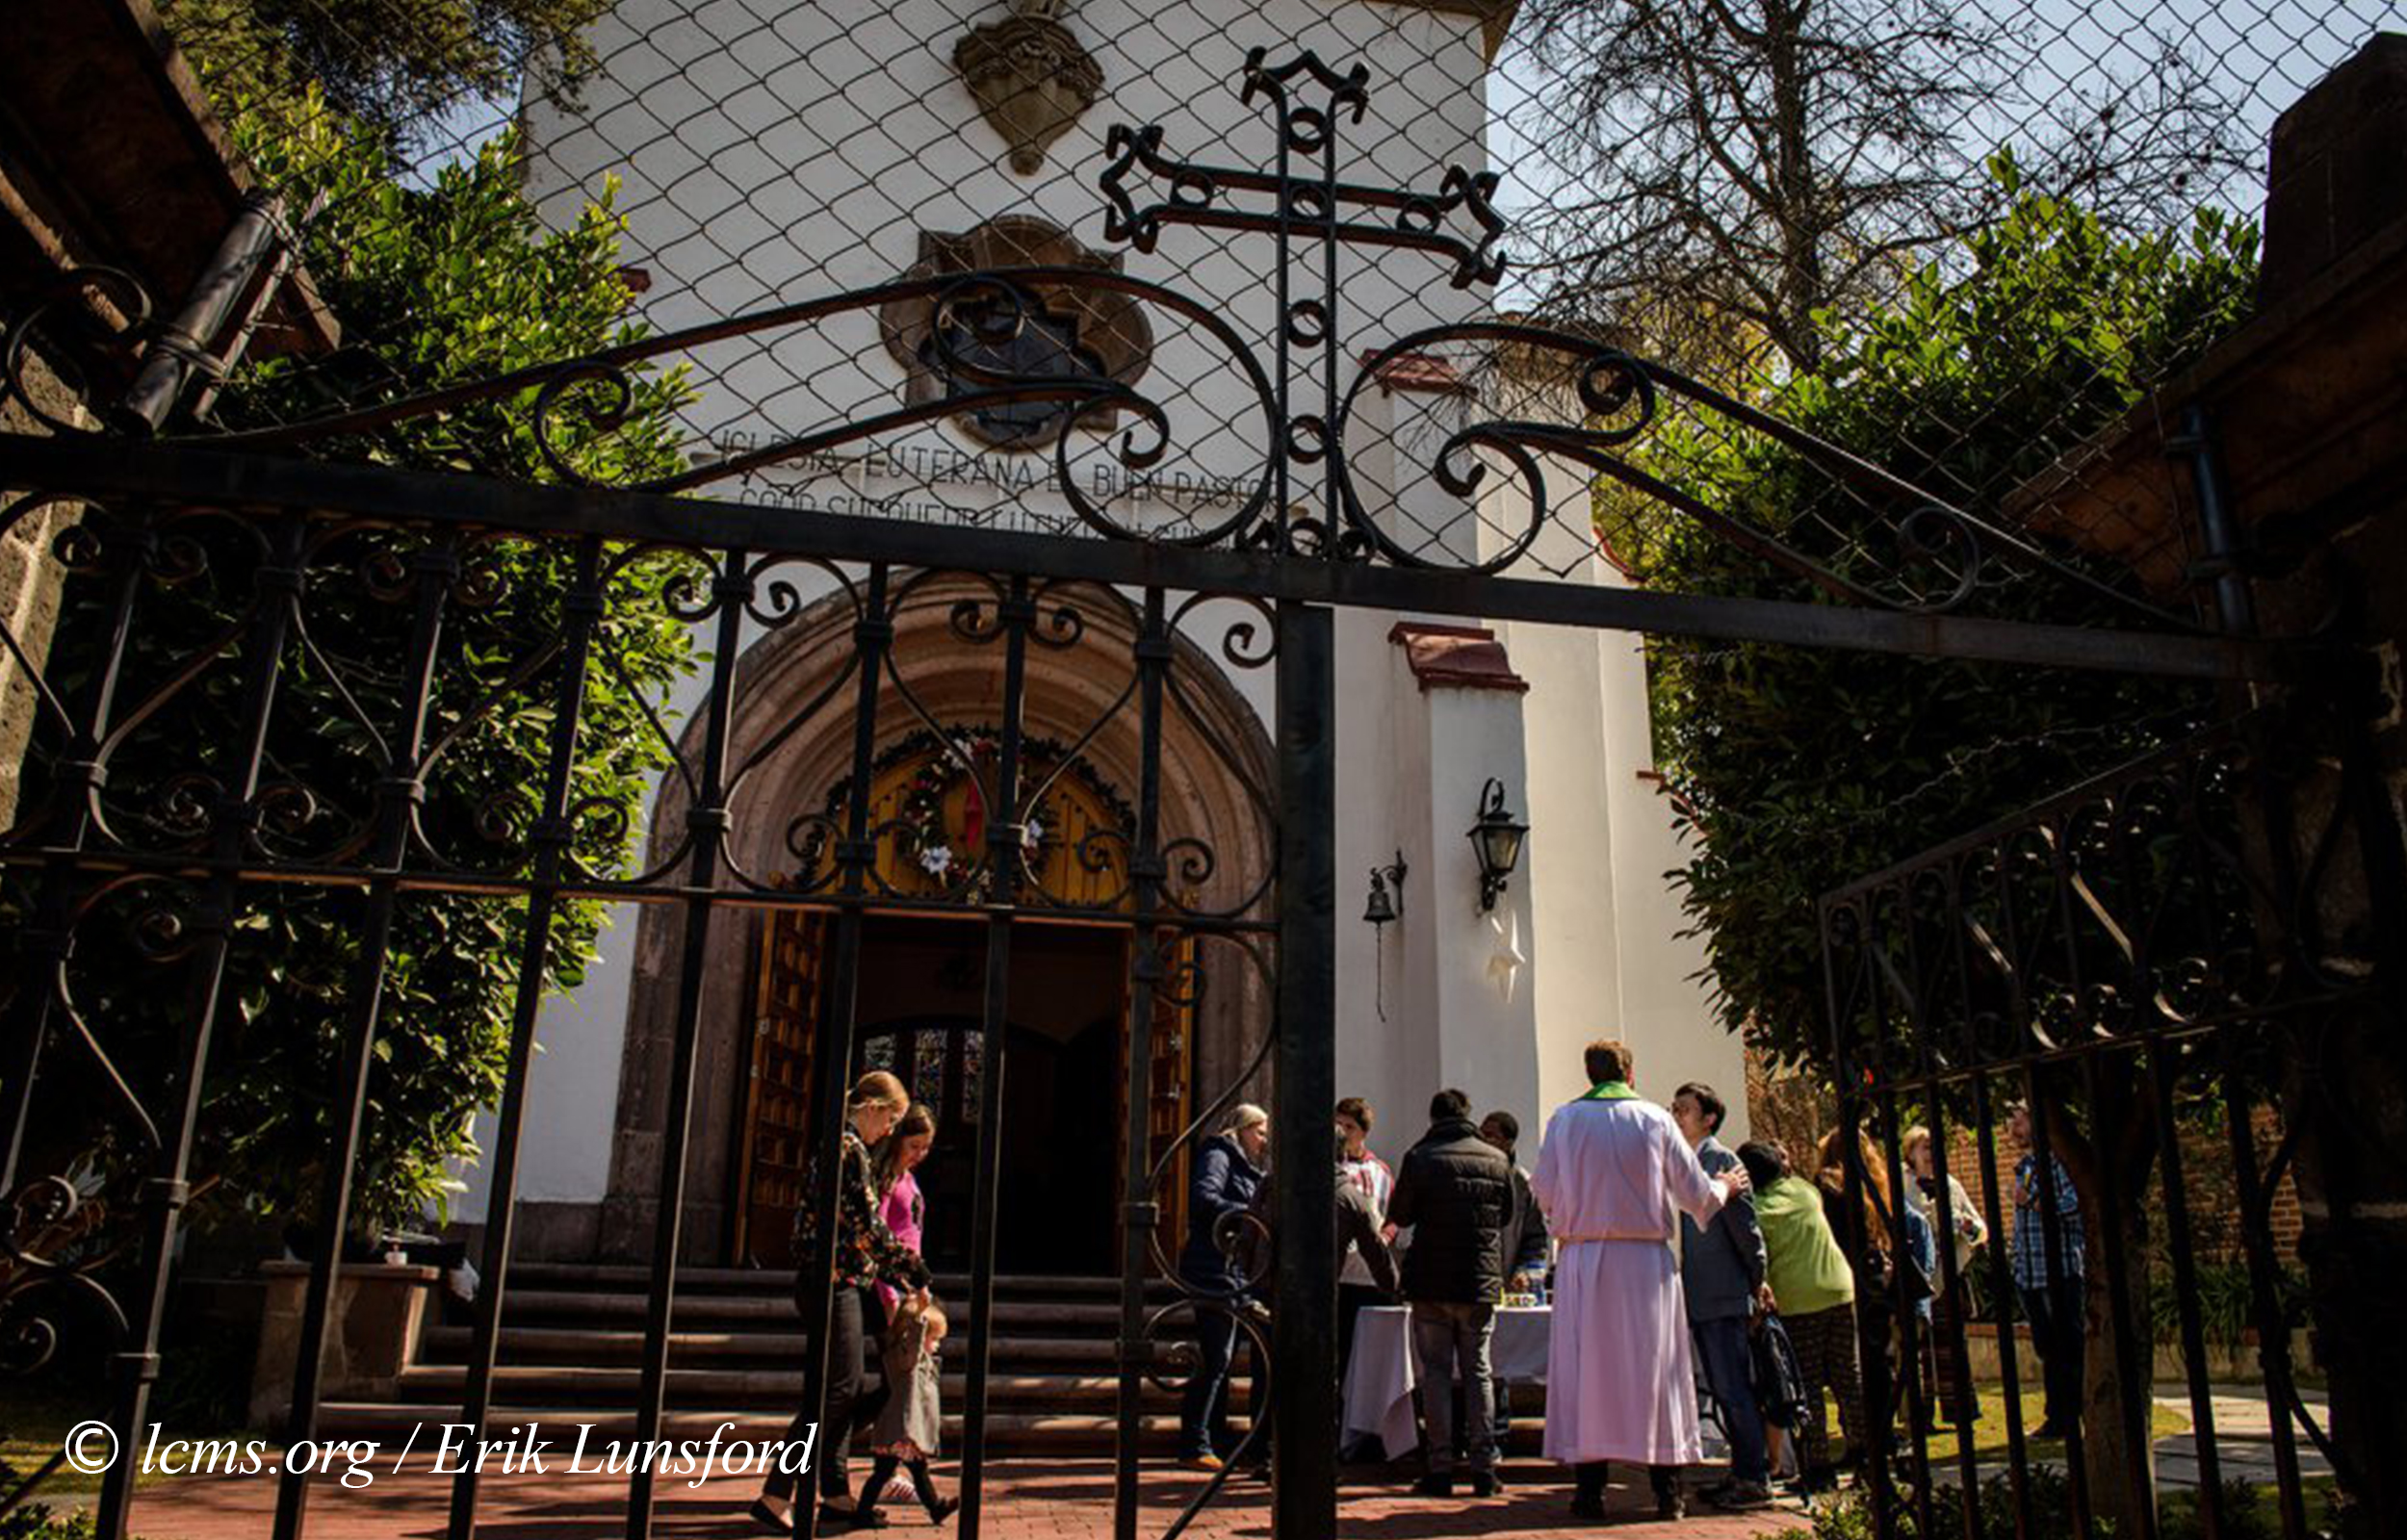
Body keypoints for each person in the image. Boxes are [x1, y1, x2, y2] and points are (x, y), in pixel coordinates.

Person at [1531, 1041, 1748, 1523]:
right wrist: (1726, 1186)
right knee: (1655, 1373)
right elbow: (1696, 1195)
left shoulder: (1564, 1121)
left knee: (1590, 1373)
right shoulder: (1655, 1119)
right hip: (1643, 1264)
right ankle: (1667, 1492)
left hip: (1584, 1258)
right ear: (1630, 1073)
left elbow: (1542, 1193)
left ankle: (1589, 1493)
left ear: (1590, 1074)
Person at [755, 1070, 932, 1536]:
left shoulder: (848, 1148)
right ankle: (776, 1493)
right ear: (872, 1107)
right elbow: (868, 1228)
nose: (891, 1130)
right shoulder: (848, 1149)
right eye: (890, 1118)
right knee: (837, 1392)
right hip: (833, 1281)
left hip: (847, 1279)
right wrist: (913, 1273)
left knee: (846, 1389)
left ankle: (834, 1495)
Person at [1386, 1089, 1513, 1498]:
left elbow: (1401, 1214)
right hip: (1478, 1280)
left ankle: (1439, 1467)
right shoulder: (1496, 1158)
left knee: (1436, 1373)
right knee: (1478, 1371)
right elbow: (1507, 1213)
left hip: (1433, 1279)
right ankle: (1483, 1468)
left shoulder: (1421, 1157)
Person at [1669, 1082, 1773, 1511]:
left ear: (1708, 1118)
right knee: (1719, 1386)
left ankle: (1754, 1477)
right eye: (1673, 1107)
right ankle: (1740, 1469)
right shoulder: (1682, 1161)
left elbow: (1746, 1229)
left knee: (1733, 1387)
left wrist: (1757, 1278)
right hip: (1695, 1294)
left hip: (1723, 1291)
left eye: (1684, 1109)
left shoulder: (1721, 1161)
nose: (1675, 1114)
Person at [1744, 1139, 1861, 1491]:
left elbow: (1756, 1255)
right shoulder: (1806, 1191)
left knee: (1806, 1384)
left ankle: (1818, 1467)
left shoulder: (1758, 1209)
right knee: (1848, 1377)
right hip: (1840, 1288)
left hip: (1798, 1301)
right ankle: (1868, 1455)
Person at [1178, 1103, 1269, 1472]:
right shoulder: (1219, 1153)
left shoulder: (1241, 1162)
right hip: (1214, 1268)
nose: (1264, 1141)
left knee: (1223, 1357)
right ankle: (1195, 1442)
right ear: (1242, 1129)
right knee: (1215, 1356)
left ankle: (1212, 1437)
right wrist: (1251, 1211)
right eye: (1260, 1132)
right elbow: (1204, 1197)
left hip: (1232, 1271)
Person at [2007, 1102, 2085, 1440]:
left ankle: (2074, 1416)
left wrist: (2033, 1199)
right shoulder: (2027, 1165)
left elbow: (2075, 1204)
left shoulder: (2058, 1160)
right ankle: (2058, 1417)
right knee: (2048, 1350)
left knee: (2069, 1348)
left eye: (2018, 1120)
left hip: (2060, 1270)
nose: (2012, 1128)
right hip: (2031, 1272)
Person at [1902, 1125, 1985, 1429]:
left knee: (1952, 1349)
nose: (1931, 1153)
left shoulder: (1951, 1185)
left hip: (1950, 1279)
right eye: (1924, 1147)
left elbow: (1980, 1230)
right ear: (1910, 1152)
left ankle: (1960, 1411)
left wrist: (1967, 1227)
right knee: (1918, 1350)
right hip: (1917, 1279)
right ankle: (1920, 1416)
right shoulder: (1901, 1185)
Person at [856, 1291, 962, 1527]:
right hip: (900, 1431)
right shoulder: (906, 1359)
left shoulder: (917, 1362)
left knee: (905, 1472)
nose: (937, 1345)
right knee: (893, 1473)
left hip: (906, 1431)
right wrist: (920, 1315)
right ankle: (865, 1511)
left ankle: (934, 1508)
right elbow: (913, 1345)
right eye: (933, 1339)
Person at [1478, 1110, 1549, 1446]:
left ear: (1507, 1142)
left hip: (1506, 1283)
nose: (1484, 1140)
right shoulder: (1473, 1173)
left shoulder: (1523, 1183)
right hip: (1474, 1282)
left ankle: (1499, 1431)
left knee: (1499, 1363)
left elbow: (1537, 1239)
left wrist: (1525, 1272)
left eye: (1491, 1135)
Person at [1334, 1097, 1397, 1376]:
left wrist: (1385, 1236)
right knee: (1340, 1348)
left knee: (1368, 1355)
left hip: (1368, 1273)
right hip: (1338, 1274)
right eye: (1337, 1125)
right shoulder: (1331, 1169)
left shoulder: (1381, 1171)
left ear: (1363, 1132)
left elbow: (1394, 1215)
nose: (1342, 1132)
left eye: (1348, 1127)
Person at [871, 1104, 937, 1317]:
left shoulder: (909, 1178)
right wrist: (888, 1296)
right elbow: (877, 1235)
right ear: (898, 1140)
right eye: (914, 1146)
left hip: (908, 1280)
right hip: (888, 1283)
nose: (920, 1154)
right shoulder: (886, 1180)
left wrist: (920, 1285)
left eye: (926, 1147)